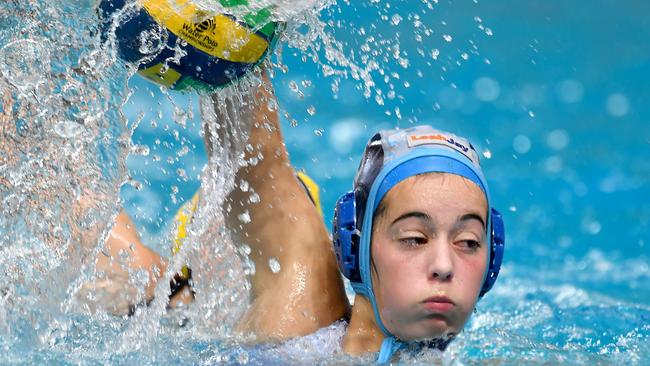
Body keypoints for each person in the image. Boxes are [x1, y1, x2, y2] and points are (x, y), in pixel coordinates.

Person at [93, 63, 505, 362]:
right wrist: (232, 32)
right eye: (414, 237)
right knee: (142, 280)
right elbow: (255, 163)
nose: (444, 265)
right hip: (174, 310)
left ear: (492, 263)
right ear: (353, 247)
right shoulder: (303, 316)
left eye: (468, 242)